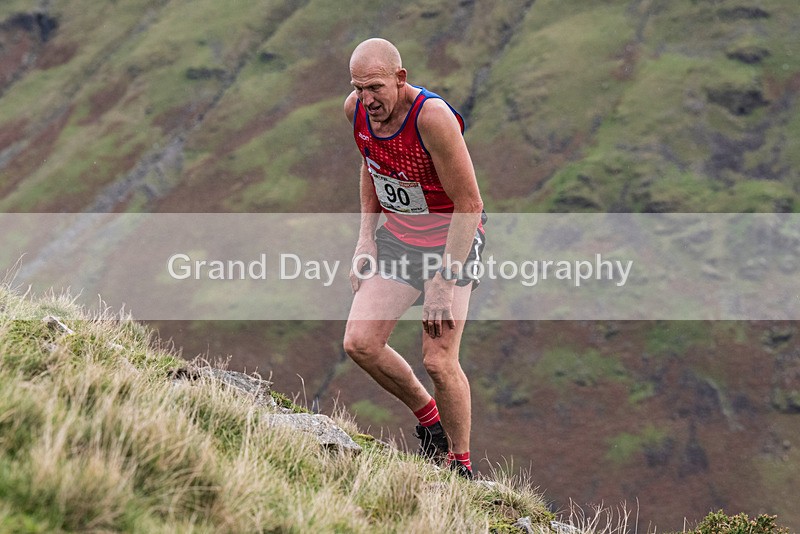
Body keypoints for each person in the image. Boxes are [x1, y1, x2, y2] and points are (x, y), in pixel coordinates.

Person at [342, 37, 486, 479]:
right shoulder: (356, 111)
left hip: (452, 241)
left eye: (377, 88)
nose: (368, 99)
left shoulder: (433, 118)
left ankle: (460, 469)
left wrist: (444, 280)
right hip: (401, 239)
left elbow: (470, 203)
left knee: (439, 360)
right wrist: (366, 238)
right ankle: (431, 423)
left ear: (400, 79)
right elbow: (372, 165)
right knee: (360, 343)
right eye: (359, 88)